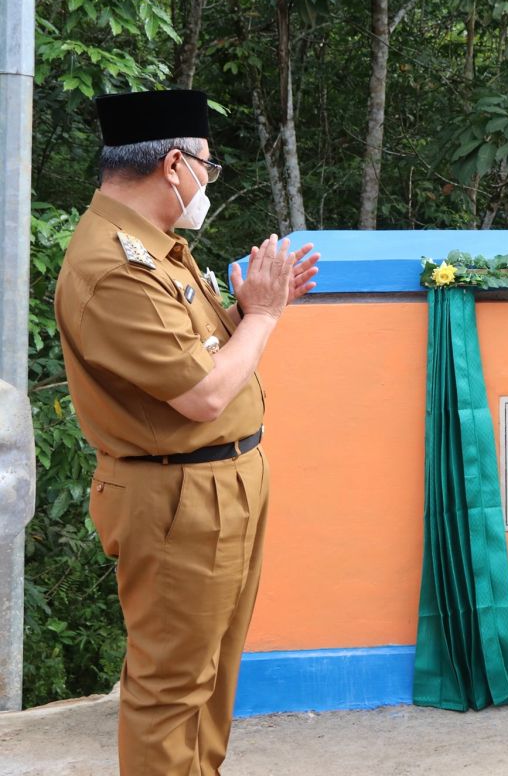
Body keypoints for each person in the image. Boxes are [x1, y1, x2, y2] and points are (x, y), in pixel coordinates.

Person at [54, 89, 319, 774]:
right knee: (173, 688)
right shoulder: (113, 266)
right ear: (175, 164)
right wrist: (261, 316)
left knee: (212, 677)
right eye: (208, 164)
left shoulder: (156, 249)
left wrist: (254, 308)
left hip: (218, 485)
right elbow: (202, 393)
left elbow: (191, 358)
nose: (208, 178)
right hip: (176, 498)